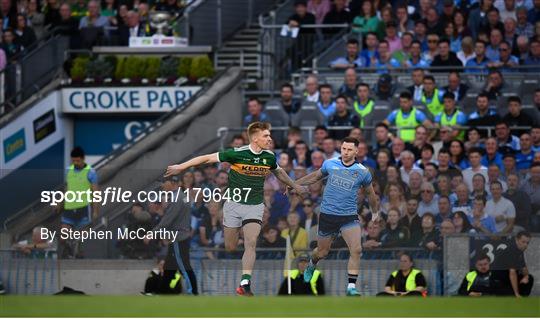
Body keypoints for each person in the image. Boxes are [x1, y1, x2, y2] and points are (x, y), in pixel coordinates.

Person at [164, 122, 303, 296]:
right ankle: (235, 244)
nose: (270, 139)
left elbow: (279, 171)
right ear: (255, 138)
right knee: (230, 246)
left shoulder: (269, 156)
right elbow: (207, 158)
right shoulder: (236, 154)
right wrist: (181, 166)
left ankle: (245, 283)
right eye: (266, 136)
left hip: (255, 205)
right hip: (233, 205)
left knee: (250, 243)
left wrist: (293, 185)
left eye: (269, 135)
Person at [294, 137, 380, 296]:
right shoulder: (330, 164)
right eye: (343, 149)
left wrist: (375, 213)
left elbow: (371, 195)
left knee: (356, 249)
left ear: (356, 151)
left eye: (349, 149)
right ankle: (312, 264)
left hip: (348, 216)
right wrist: (294, 184)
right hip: (328, 216)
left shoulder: (362, 172)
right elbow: (315, 176)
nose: (346, 152)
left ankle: (351, 287)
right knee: (322, 253)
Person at [58, 147, 99, 259]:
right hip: (69, 209)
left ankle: (78, 252)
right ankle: (69, 249)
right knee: (63, 237)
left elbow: (96, 193)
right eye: (73, 160)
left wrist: (95, 211)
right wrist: (59, 203)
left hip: (83, 209)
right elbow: (66, 189)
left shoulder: (91, 172)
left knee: (81, 238)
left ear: (83, 159)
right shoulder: (68, 170)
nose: (75, 163)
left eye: (78, 160)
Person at [492, 231, 534, 297]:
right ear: (516, 240)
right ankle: (517, 296)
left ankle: (522, 299)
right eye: (523, 242)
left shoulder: (520, 251)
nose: (525, 245)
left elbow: (524, 268)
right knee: (511, 295)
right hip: (499, 281)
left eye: (527, 243)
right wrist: (516, 293)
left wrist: (526, 276)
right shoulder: (511, 250)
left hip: (507, 279)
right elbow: (512, 273)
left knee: (530, 278)